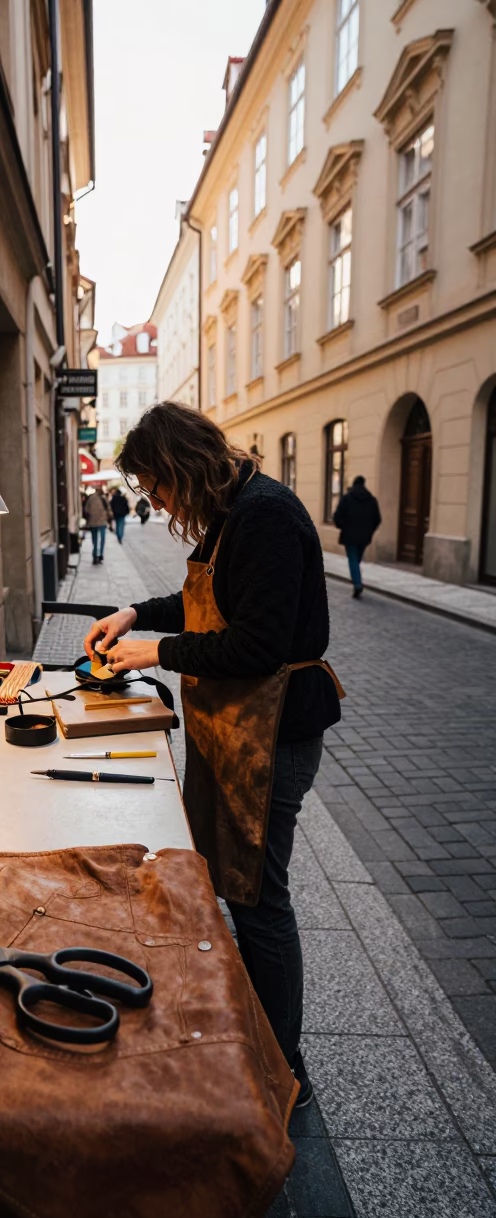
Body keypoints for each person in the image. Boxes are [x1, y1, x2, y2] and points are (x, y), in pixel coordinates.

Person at [83, 402, 343, 1109]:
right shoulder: (236, 510)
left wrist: (155, 652)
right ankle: (248, 1032)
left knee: (259, 901)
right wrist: (137, 613)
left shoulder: (267, 517)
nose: (159, 503)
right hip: (236, 730)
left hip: (274, 736)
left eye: (156, 487)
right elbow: (206, 604)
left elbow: (256, 645)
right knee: (234, 886)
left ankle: (284, 1072)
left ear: (180, 468)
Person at [333, 476, 381, 598]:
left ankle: (357, 583)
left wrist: (342, 526)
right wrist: (370, 530)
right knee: (357, 559)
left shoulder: (347, 498)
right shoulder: (372, 500)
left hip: (349, 534)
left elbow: (337, 516)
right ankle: (356, 577)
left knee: (353, 559)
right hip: (365, 536)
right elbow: (377, 519)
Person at [83, 486, 113, 565]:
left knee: (95, 540)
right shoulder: (103, 498)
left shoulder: (91, 498)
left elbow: (86, 509)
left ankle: (95, 555)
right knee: (102, 539)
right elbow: (108, 509)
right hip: (102, 522)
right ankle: (100, 555)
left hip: (93, 522)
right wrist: (110, 518)